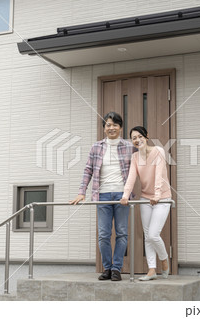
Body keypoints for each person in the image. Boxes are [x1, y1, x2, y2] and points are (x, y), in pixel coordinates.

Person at [70, 112, 136, 281]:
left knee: (122, 233)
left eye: (115, 125)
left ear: (121, 127)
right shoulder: (96, 147)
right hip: (102, 195)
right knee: (103, 234)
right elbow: (88, 170)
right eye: (108, 124)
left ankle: (116, 269)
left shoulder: (129, 147)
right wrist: (81, 192)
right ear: (104, 128)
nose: (111, 127)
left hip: (123, 195)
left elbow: (140, 167)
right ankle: (107, 268)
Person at [120, 126, 172, 281]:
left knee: (153, 235)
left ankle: (163, 259)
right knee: (147, 236)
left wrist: (157, 195)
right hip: (145, 199)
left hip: (162, 198)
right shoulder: (135, 158)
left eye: (139, 136)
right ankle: (151, 270)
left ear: (147, 136)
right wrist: (125, 195)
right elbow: (131, 178)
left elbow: (159, 174)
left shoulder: (158, 151)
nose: (137, 140)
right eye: (134, 138)